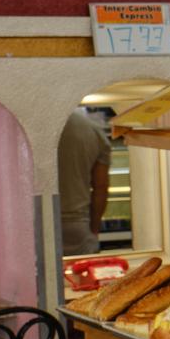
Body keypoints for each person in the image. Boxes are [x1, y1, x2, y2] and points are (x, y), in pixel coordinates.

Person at [57, 106, 113, 258]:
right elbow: (101, 188)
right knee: (78, 278)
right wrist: (94, 230)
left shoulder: (30, 124)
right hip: (77, 224)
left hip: (33, 223)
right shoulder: (93, 130)